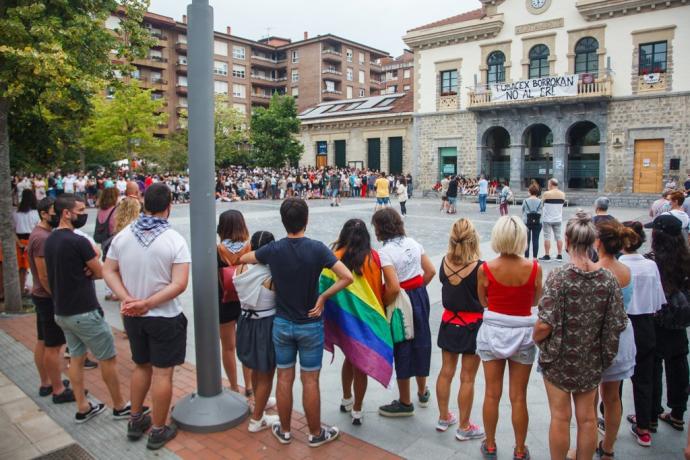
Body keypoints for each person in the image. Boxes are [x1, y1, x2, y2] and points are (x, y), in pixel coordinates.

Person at [239, 198, 353, 448]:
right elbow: (347, 277)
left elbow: (245, 258)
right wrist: (322, 297)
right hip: (310, 324)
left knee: (284, 378)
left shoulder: (274, 250)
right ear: (306, 220)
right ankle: (314, 433)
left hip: (282, 323)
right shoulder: (317, 248)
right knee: (310, 380)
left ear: (283, 221)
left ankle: (286, 430)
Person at [103, 183, 190, 450]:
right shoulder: (174, 240)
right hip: (164, 316)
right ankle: (159, 429)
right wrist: (147, 302)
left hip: (133, 317)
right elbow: (179, 284)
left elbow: (108, 270)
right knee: (163, 374)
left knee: (142, 366)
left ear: (143, 202)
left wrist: (127, 298)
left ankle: (135, 418)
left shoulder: (123, 236)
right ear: (169, 206)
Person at [534, 212, 627, 460]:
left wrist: (536, 338)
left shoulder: (559, 277)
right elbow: (617, 323)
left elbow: (545, 323)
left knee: (560, 417)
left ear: (566, 239)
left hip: (559, 358)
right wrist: (605, 355)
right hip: (590, 357)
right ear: (593, 242)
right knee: (587, 419)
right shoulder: (608, 279)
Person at [45, 194, 129, 424]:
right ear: (66, 213)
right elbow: (101, 270)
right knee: (107, 359)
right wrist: (93, 265)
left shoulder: (50, 240)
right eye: (80, 210)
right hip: (84, 310)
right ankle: (120, 405)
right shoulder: (77, 241)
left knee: (76, 358)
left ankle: (82, 405)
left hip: (62, 310)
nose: (84, 214)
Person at [476, 215, 541, 460]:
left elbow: (483, 300)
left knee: (492, 393)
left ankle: (490, 444)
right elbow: (535, 300)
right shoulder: (534, 267)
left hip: (493, 331)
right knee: (519, 396)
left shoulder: (486, 268)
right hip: (523, 332)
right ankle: (520, 449)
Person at [373, 208, 436, 418]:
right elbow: (430, 271)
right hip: (419, 296)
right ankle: (422, 391)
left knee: (403, 344)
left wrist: (384, 304)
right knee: (421, 341)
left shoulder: (385, 252)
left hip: (402, 300)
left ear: (381, 228)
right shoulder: (414, 243)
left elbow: (392, 287)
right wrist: (418, 289)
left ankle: (405, 401)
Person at [326, 219, 386, 426]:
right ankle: (358, 409)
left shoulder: (334, 258)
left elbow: (325, 285)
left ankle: (346, 399)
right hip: (368, 320)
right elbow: (380, 287)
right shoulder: (374, 258)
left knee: (350, 357)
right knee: (360, 364)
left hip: (345, 320)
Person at [435, 218, 485, 441]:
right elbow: (485, 300)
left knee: (446, 371)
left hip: (448, 322)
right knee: (467, 378)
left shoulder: (445, 262)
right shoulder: (479, 267)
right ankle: (464, 426)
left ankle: (444, 416)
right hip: (472, 326)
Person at [593, 220, 638, 459]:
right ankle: (608, 447)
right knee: (612, 396)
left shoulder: (595, 270)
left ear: (598, 242)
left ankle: (588, 439)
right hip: (621, 334)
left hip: (595, 337)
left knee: (589, 396)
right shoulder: (625, 271)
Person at [620, 221, 666, 447]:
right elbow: (658, 302)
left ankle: (607, 419)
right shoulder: (650, 265)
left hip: (621, 325)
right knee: (644, 378)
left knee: (612, 380)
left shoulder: (617, 265)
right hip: (646, 325)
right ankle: (644, 427)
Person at [27, 197, 74, 404]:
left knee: (43, 341)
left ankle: (47, 382)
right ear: (44, 213)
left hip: (41, 296)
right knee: (53, 346)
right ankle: (57, 389)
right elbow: (44, 274)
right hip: (46, 297)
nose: (58, 215)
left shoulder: (40, 234)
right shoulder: (42, 238)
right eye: (54, 211)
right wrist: (57, 297)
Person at [234, 231, 279, 432]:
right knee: (267, 372)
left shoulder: (241, 267)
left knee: (253, 365)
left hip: (245, 321)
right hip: (266, 323)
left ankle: (259, 403)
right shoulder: (271, 274)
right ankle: (257, 419)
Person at [648, 215, 690, 434]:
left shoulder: (651, 260)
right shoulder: (687, 258)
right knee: (679, 363)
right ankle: (678, 413)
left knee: (653, 366)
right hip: (680, 321)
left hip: (656, 319)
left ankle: (651, 415)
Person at [216, 210, 252, 397]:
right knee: (246, 344)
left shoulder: (217, 250)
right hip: (245, 300)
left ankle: (233, 387)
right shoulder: (250, 247)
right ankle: (249, 386)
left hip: (224, 301)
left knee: (228, 347)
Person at [12, 189, 40, 295]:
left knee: (21, 268)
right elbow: (37, 229)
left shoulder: (16, 213)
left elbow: (12, 230)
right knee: (36, 267)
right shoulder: (36, 213)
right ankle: (37, 290)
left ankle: (21, 289)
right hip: (32, 240)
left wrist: (19, 243)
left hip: (19, 241)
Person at [540, 178, 566, 262]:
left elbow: (542, 204)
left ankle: (547, 255)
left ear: (551, 184)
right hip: (558, 218)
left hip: (547, 218)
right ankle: (559, 255)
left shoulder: (546, 194)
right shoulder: (562, 194)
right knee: (558, 237)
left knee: (547, 236)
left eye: (548, 184)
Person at [522, 184, 542, 259]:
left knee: (527, 240)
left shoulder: (525, 201)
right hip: (537, 222)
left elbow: (523, 210)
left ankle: (526, 258)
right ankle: (534, 258)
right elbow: (540, 211)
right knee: (536, 239)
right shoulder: (540, 201)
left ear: (530, 191)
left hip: (527, 222)